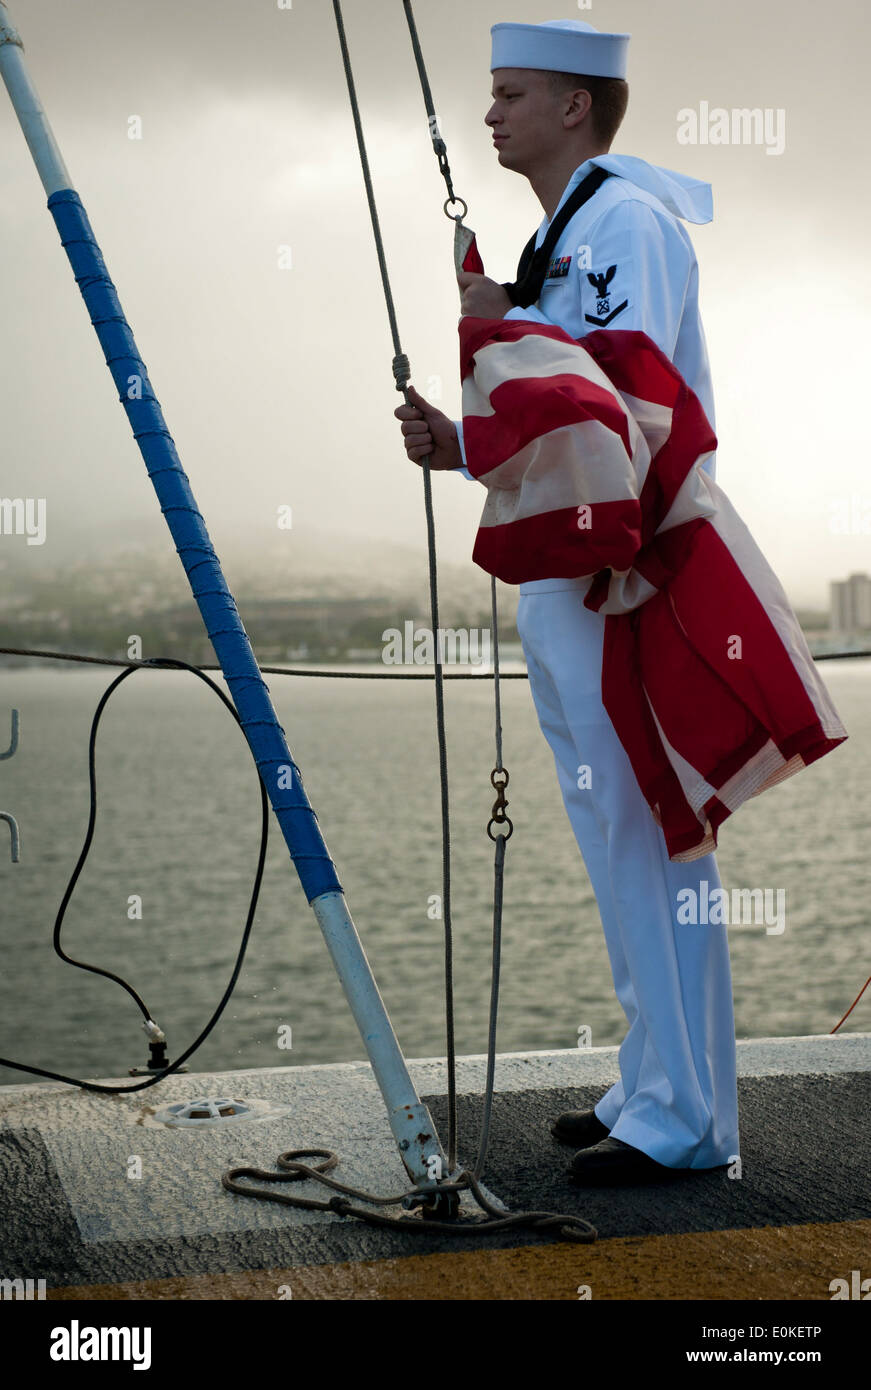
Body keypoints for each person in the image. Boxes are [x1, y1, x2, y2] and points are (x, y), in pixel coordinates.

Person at [395, 18, 740, 1185]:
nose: (490, 113)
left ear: (575, 107)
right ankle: (653, 1084)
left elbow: (622, 404)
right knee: (616, 833)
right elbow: (574, 401)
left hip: (616, 568)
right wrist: (466, 442)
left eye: (511, 93)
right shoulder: (567, 229)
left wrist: (489, 381)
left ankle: (684, 1117)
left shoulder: (621, 225)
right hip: (573, 566)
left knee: (648, 829)